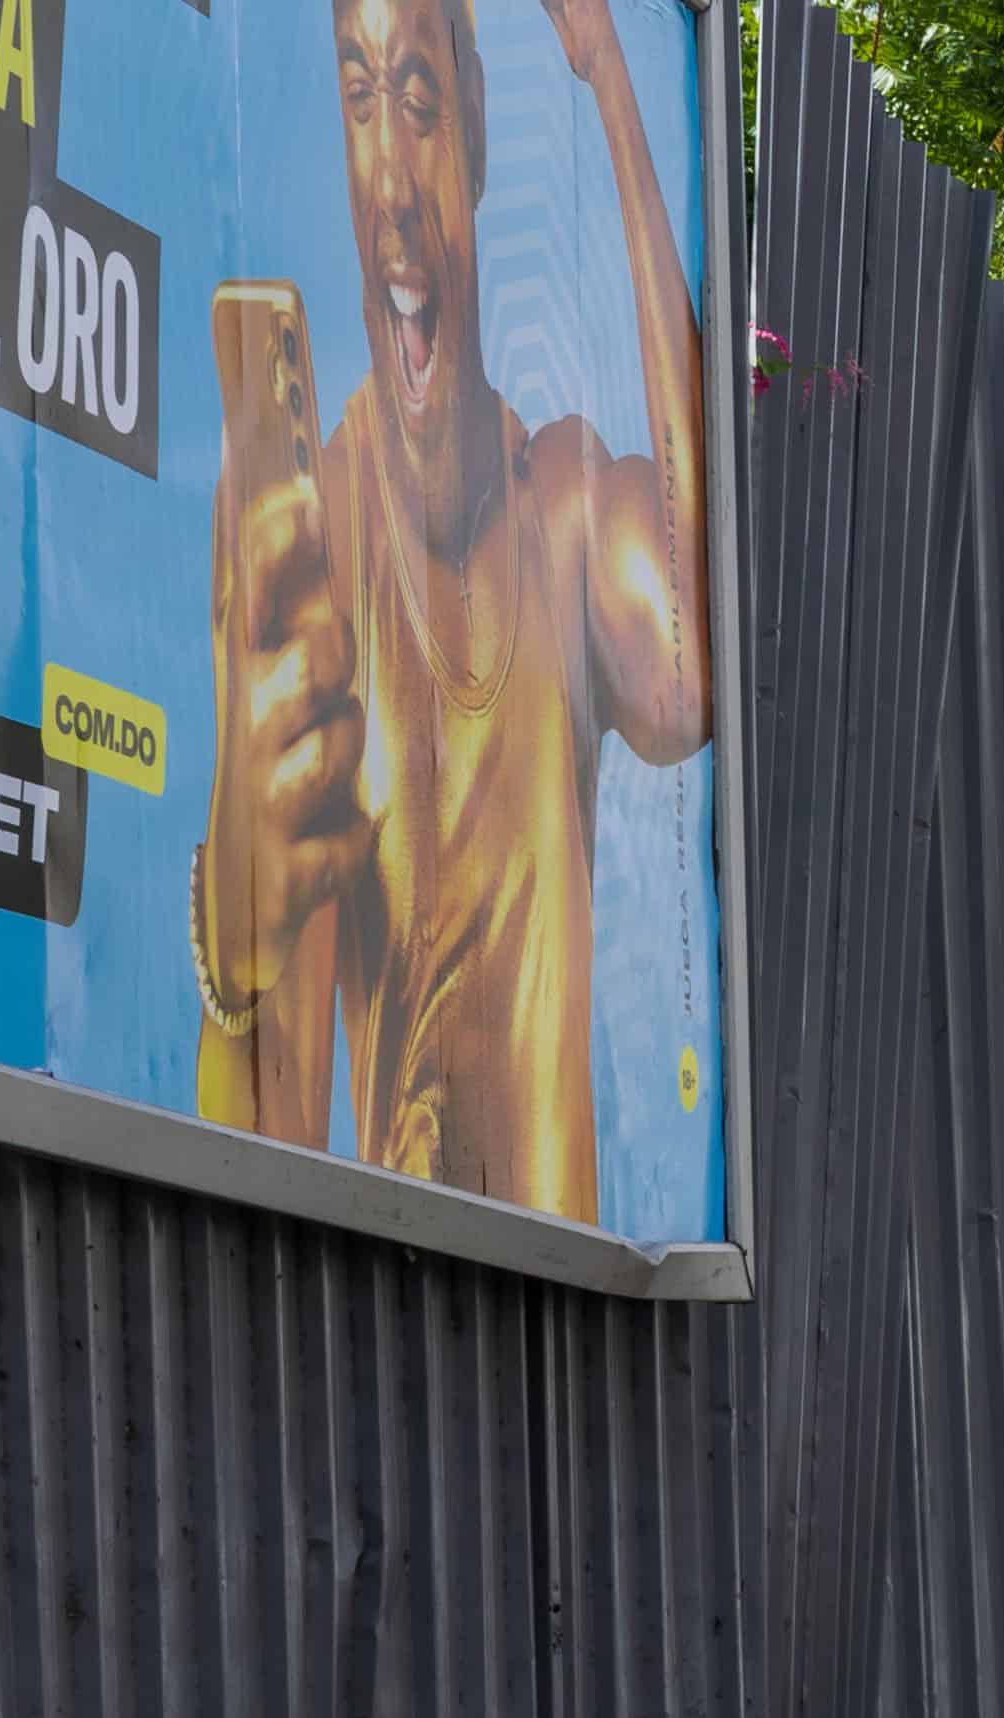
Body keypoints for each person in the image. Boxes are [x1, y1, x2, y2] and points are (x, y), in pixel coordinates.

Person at [198, 0, 712, 1226]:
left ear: (477, 131)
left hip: (568, 1322)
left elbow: (685, 684)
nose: (389, 182)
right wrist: (240, 935)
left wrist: (612, 90)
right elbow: (274, 1131)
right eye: (360, 99)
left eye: (420, 105)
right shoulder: (307, 529)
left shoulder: (568, 503)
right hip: (388, 1323)